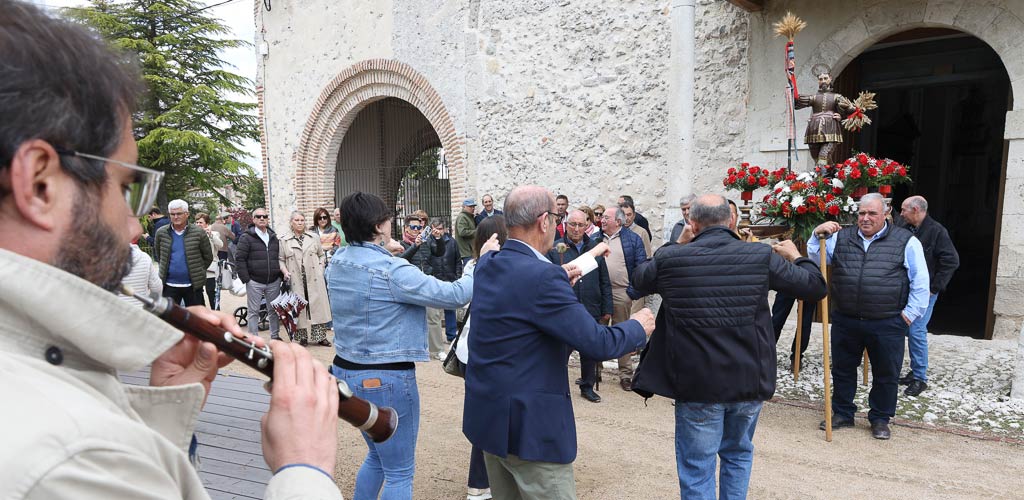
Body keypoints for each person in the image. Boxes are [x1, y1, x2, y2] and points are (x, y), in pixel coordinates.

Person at [0, 2, 342, 497]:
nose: (134, 225)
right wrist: (305, 470)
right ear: (39, 184)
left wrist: (158, 423)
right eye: (123, 185)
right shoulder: (70, 458)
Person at [630, 194, 827, 499]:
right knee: (737, 454)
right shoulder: (759, 256)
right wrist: (798, 255)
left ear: (691, 224)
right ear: (731, 221)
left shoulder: (672, 258)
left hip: (697, 382)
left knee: (698, 465)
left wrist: (677, 244)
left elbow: (640, 280)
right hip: (747, 377)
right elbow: (815, 287)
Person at [464, 185, 655, 500]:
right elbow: (597, 343)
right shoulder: (542, 279)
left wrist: (559, 276)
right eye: (557, 217)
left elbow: (520, 292)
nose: (560, 224)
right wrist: (638, 327)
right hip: (530, 432)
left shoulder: (489, 265)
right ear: (543, 221)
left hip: (490, 422)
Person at [327, 191, 482, 500]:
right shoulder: (392, 271)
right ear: (378, 226)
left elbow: (373, 275)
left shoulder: (338, 260)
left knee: (377, 457)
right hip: (386, 377)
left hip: (345, 372)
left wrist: (389, 252)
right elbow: (455, 295)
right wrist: (477, 264)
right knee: (399, 471)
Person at [809, 193, 930, 440]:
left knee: (886, 372)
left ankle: (880, 418)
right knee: (843, 369)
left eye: (872, 213)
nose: (865, 218)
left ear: (886, 214)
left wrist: (908, 316)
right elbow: (816, 257)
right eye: (862, 213)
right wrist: (816, 233)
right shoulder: (841, 237)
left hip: (887, 320)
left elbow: (921, 282)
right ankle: (842, 412)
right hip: (846, 318)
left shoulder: (906, 241)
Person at [456, 215, 509, 500]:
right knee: (489, 418)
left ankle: (485, 483)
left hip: (470, 352)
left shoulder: (473, 266)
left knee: (485, 416)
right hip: (485, 354)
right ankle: (479, 485)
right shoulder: (487, 268)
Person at [896, 195, 960, 396]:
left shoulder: (937, 231)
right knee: (901, 329)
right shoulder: (903, 226)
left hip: (925, 291)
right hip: (903, 289)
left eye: (904, 209)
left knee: (916, 330)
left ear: (916, 210)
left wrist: (934, 287)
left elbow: (951, 260)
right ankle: (913, 371)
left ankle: (920, 378)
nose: (902, 212)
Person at [547, 210, 613, 403]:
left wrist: (607, 308)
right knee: (560, 353)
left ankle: (587, 386)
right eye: (572, 224)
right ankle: (556, 387)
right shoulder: (556, 248)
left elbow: (604, 281)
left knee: (590, 352)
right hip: (566, 309)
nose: (576, 229)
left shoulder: (594, 248)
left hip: (591, 308)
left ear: (587, 226)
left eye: (580, 225)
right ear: (566, 225)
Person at [596, 205, 649, 391]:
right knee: (597, 330)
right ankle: (595, 371)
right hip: (600, 293)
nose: (602, 220)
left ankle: (626, 375)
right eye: (602, 217)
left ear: (618, 221)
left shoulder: (632, 239)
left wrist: (632, 293)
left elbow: (641, 267)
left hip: (621, 293)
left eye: (606, 218)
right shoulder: (596, 238)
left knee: (623, 332)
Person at [280, 211, 333, 347]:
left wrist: (321, 267)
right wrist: (285, 272)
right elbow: (281, 259)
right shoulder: (284, 240)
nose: (300, 222)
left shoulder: (313, 237)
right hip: (296, 278)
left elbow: (321, 255)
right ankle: (302, 337)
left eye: (302, 220)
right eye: (297, 220)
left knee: (318, 308)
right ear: (291, 222)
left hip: (314, 277)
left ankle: (320, 337)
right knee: (299, 308)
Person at [236, 207, 287, 340]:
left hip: (273, 281)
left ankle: (275, 336)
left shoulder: (273, 237)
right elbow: (240, 259)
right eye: (258, 216)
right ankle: (253, 338)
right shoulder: (246, 237)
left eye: (264, 216)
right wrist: (246, 279)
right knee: (253, 311)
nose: (262, 218)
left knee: (273, 310)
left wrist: (279, 276)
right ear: (253, 219)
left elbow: (279, 257)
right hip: (254, 281)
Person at [153, 199, 213, 307]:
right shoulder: (161, 233)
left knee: (197, 319)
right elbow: (159, 255)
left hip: (193, 286)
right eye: (172, 214)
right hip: (169, 286)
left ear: (187, 214)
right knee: (169, 320)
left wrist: (197, 270)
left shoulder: (199, 233)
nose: (175, 217)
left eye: (179, 213)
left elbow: (207, 257)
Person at [423, 218, 463, 356]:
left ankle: (451, 335)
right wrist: (430, 274)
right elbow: (425, 260)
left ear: (444, 229)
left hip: (449, 278)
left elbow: (458, 260)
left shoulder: (452, 242)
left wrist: (457, 275)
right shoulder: (427, 242)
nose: (438, 231)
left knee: (450, 309)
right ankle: (435, 344)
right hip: (434, 279)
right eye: (435, 228)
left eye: (440, 228)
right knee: (434, 314)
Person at [119, 242, 163, 308]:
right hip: (142, 309)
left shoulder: (102, 259)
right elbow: (157, 287)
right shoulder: (144, 257)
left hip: (115, 311)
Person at [194, 212, 223, 309]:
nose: (198, 224)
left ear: (206, 223)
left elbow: (220, 245)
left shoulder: (214, 234)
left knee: (211, 291)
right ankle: (203, 313)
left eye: (200, 222)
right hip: (197, 268)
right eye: (197, 222)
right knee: (197, 292)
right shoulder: (193, 235)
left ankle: (216, 313)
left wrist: (210, 235)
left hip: (210, 268)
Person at [455, 198, 478, 264]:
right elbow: (462, 232)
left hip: (470, 251)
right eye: (470, 206)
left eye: (473, 206)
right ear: (464, 207)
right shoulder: (462, 217)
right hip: (466, 252)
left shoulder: (469, 216)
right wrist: (476, 232)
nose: (473, 208)